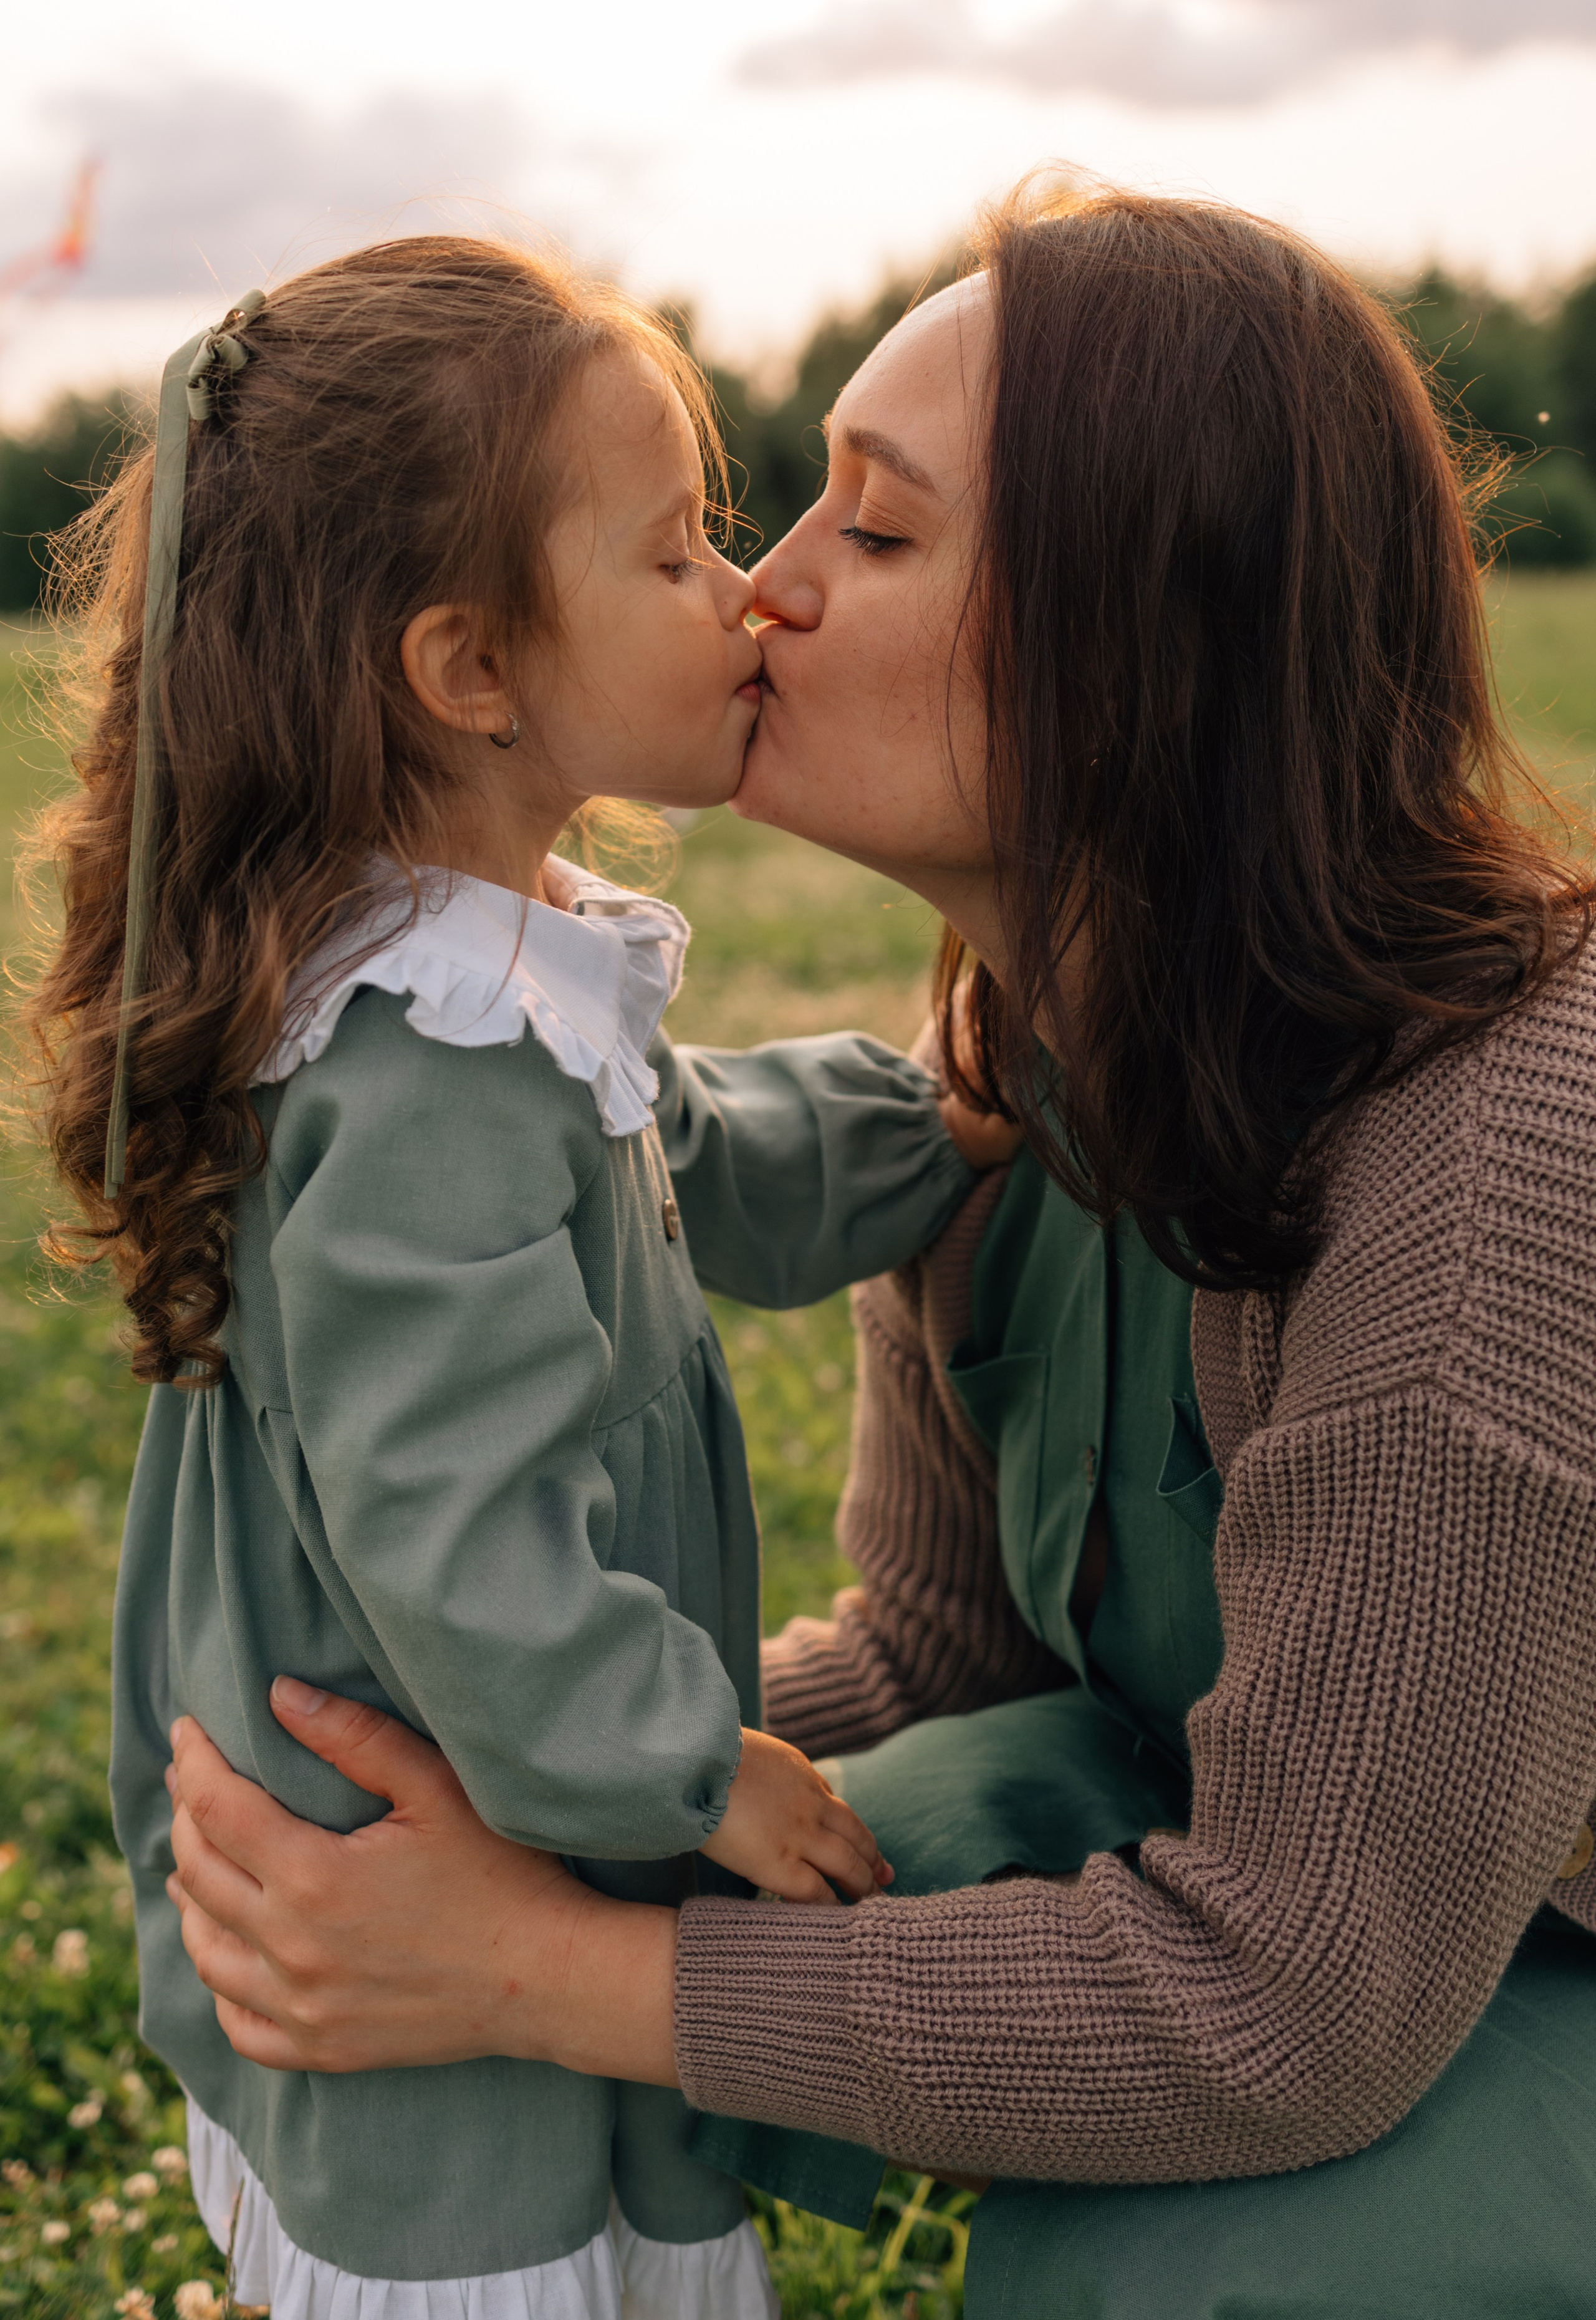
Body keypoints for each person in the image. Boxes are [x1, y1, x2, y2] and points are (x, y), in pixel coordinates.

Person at [165, 185, 1596, 2315]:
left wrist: (565, 1973)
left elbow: (1300, 1998)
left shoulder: (1496, 1174)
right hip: (1285, 1859)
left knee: (1202, 2270)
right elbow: (950, 1663)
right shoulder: (1016, 1066)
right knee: (881, 1814)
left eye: (879, 530)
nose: (764, 589)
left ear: (1148, 650)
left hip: (1485, 1939)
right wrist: (467, 1784)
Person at [22, 235, 1009, 2319]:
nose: (741, 594)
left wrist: (919, 1129)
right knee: (507, 2259)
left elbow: (689, 1152)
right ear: (468, 669)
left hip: (512, 1795)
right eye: (673, 554)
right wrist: (695, 1760)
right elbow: (460, 1541)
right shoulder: (424, 1068)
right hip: (445, 1841)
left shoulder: (473, 968)